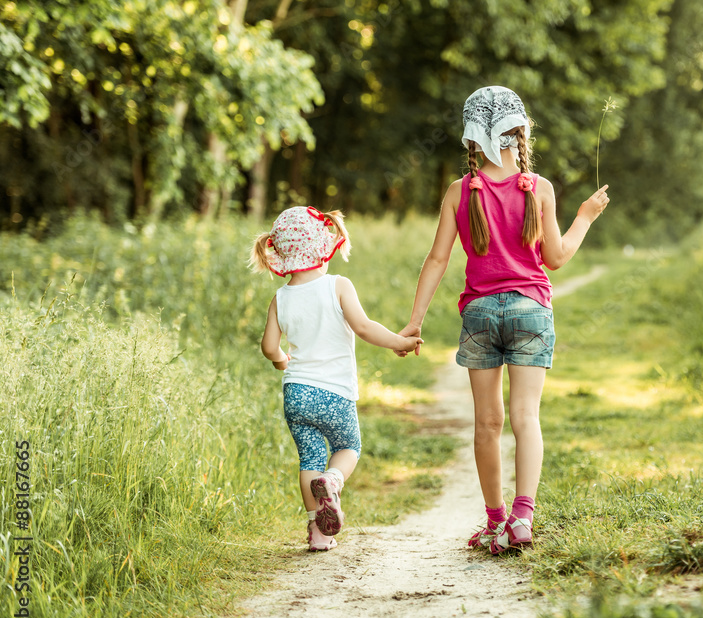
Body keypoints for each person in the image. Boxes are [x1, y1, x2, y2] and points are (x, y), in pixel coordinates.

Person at [398, 86, 610, 554]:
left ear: (471, 139)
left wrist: (414, 322)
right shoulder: (540, 189)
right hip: (530, 310)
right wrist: (585, 217)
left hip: (479, 313)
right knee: (525, 418)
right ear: (520, 133)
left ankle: (494, 522)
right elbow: (555, 258)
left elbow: (436, 260)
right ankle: (521, 519)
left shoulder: (460, 191)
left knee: (486, 424)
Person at [249, 206, 422, 551]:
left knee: (309, 459)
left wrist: (283, 360)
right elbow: (365, 327)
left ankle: (318, 533)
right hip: (335, 394)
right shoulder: (337, 286)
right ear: (321, 250)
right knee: (348, 447)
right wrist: (399, 342)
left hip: (296, 394)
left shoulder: (280, 298)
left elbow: (269, 347)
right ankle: (333, 480)